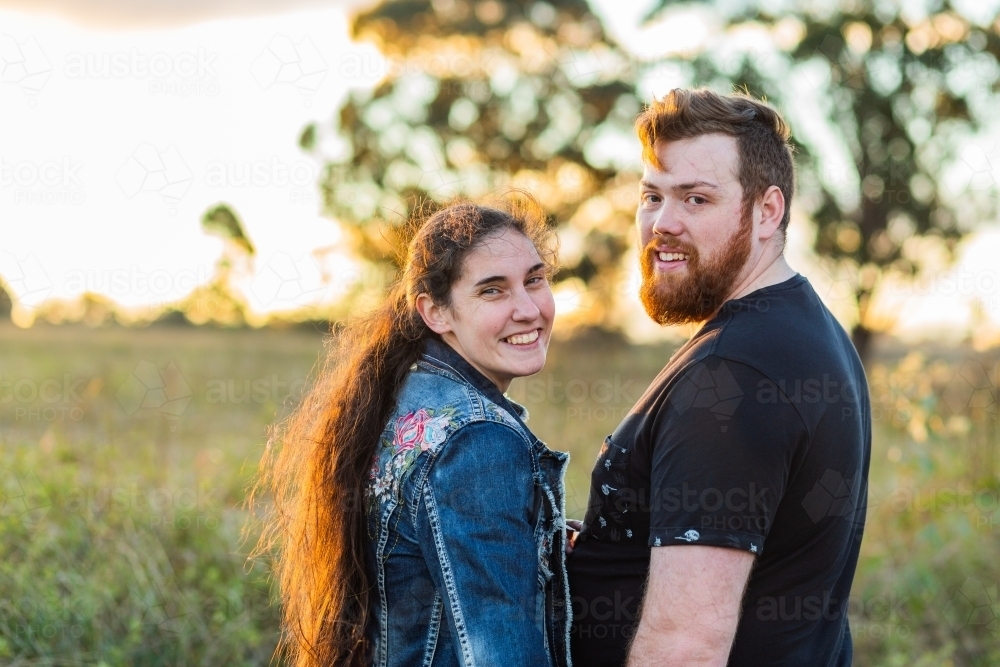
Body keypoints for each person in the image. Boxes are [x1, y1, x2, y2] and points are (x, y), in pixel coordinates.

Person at [567, 89, 871, 666]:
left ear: (767, 211)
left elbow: (684, 648)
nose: (663, 223)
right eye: (651, 196)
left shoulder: (735, 376)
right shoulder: (801, 332)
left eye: (696, 199)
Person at [252, 196, 572, 667]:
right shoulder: (478, 439)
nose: (528, 309)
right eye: (492, 290)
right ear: (435, 312)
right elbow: (502, 652)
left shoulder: (405, 397)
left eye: (534, 280)